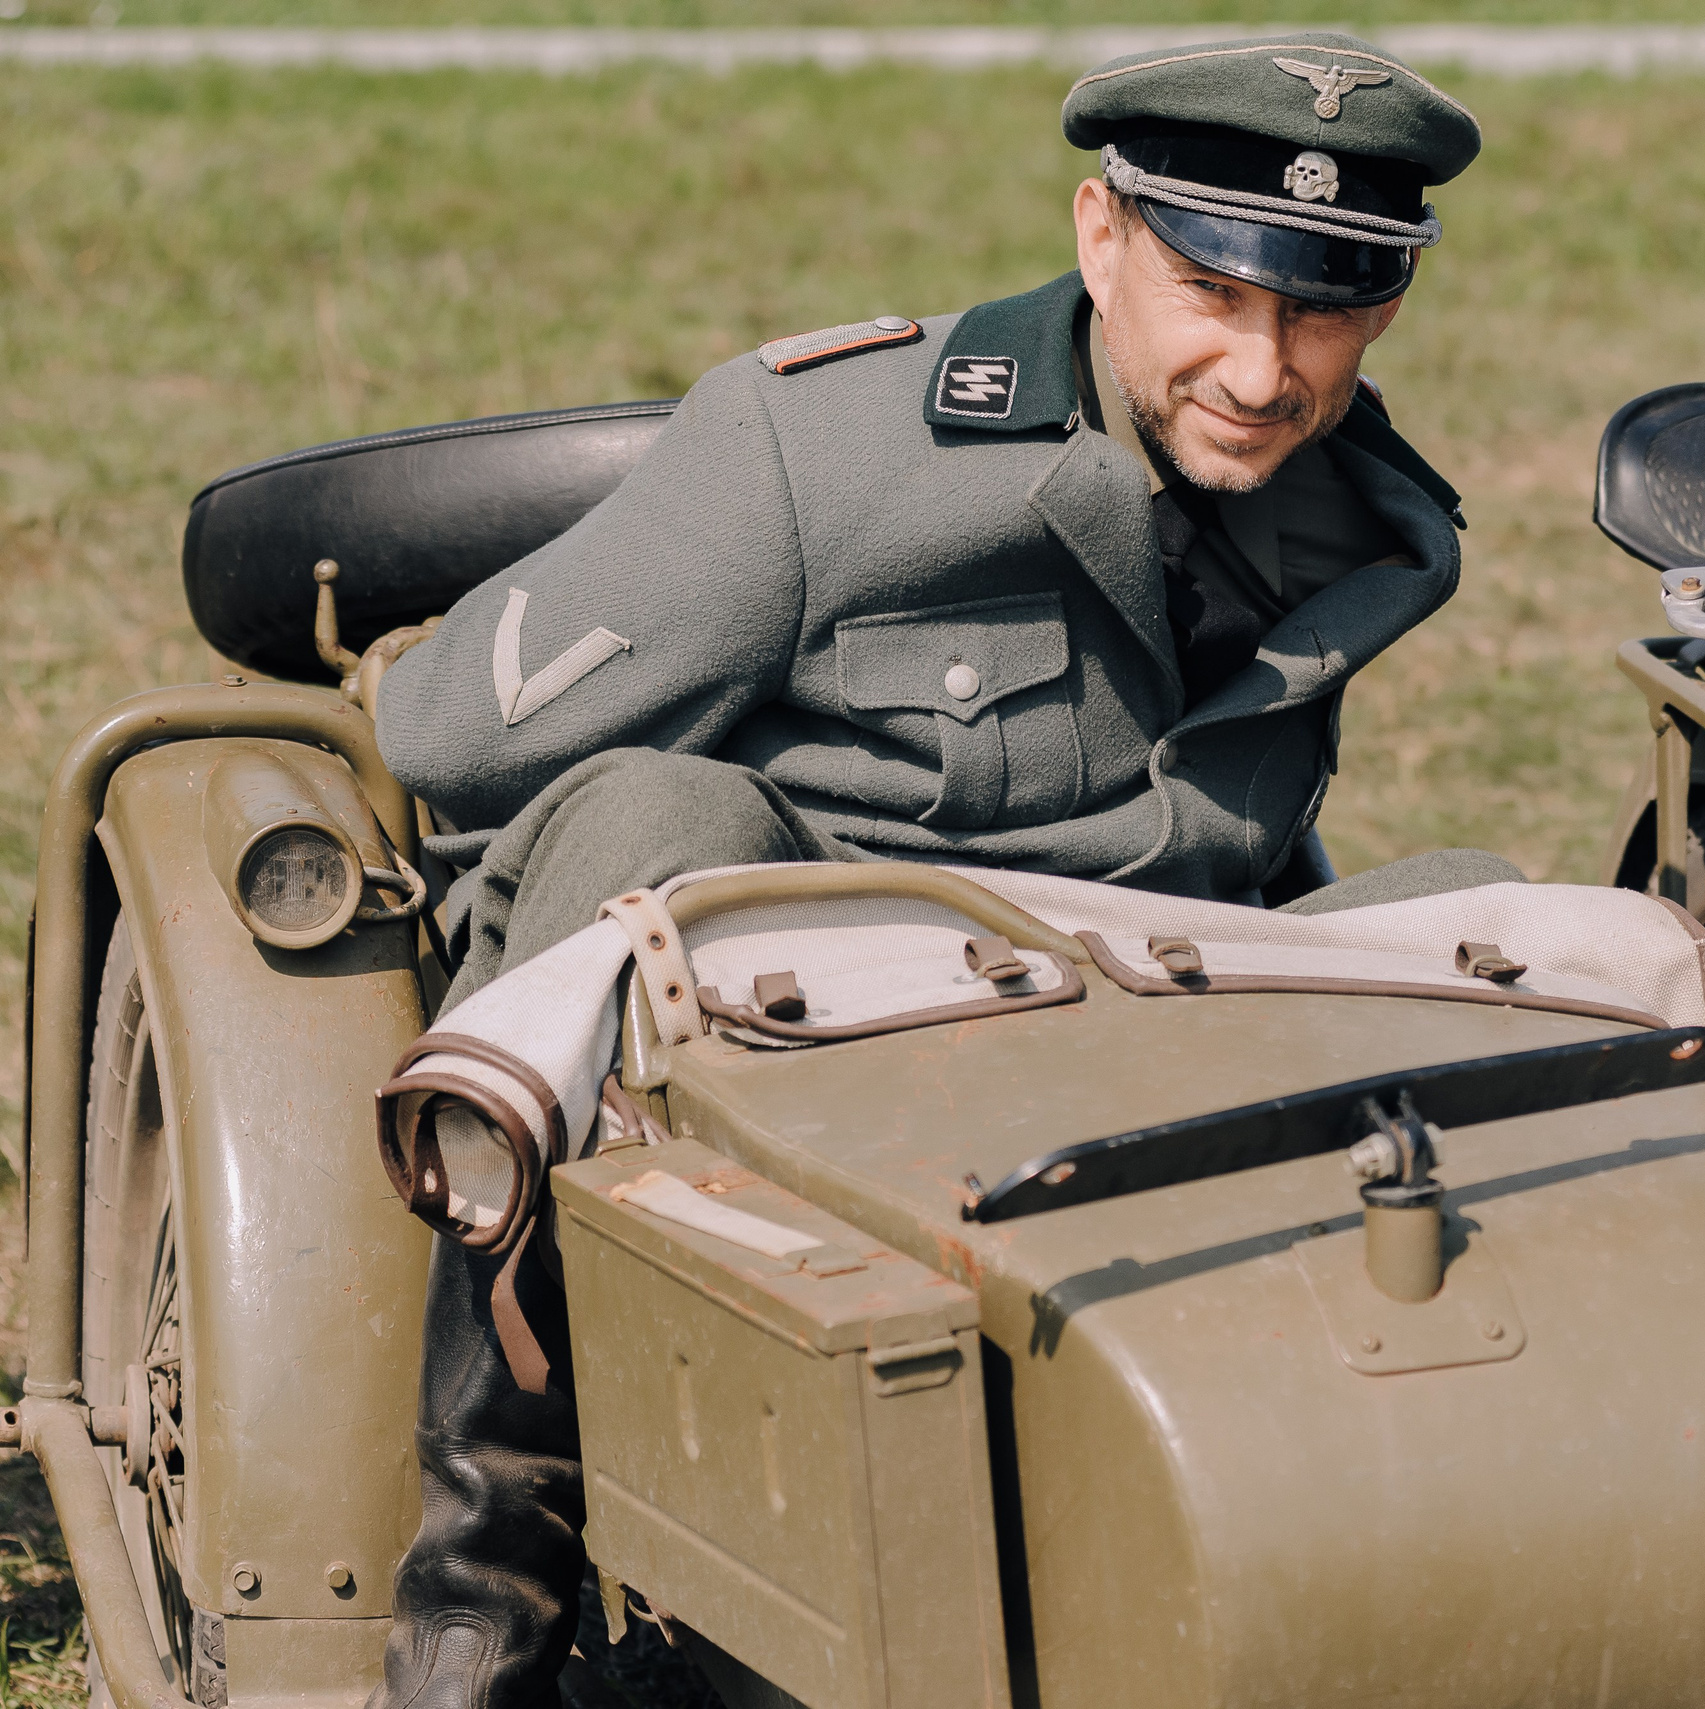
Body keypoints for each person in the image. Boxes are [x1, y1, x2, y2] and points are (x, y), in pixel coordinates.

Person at [369, 32, 1512, 1707]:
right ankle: (483, 1593)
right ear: (1099, 239)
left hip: (1135, 1032)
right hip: (786, 1042)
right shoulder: (820, 455)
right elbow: (454, 739)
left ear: (1389, 303)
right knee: (647, 828)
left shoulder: (1367, 516)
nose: (1266, 369)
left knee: (1498, 918)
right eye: (1212, 289)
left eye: (1322, 306)